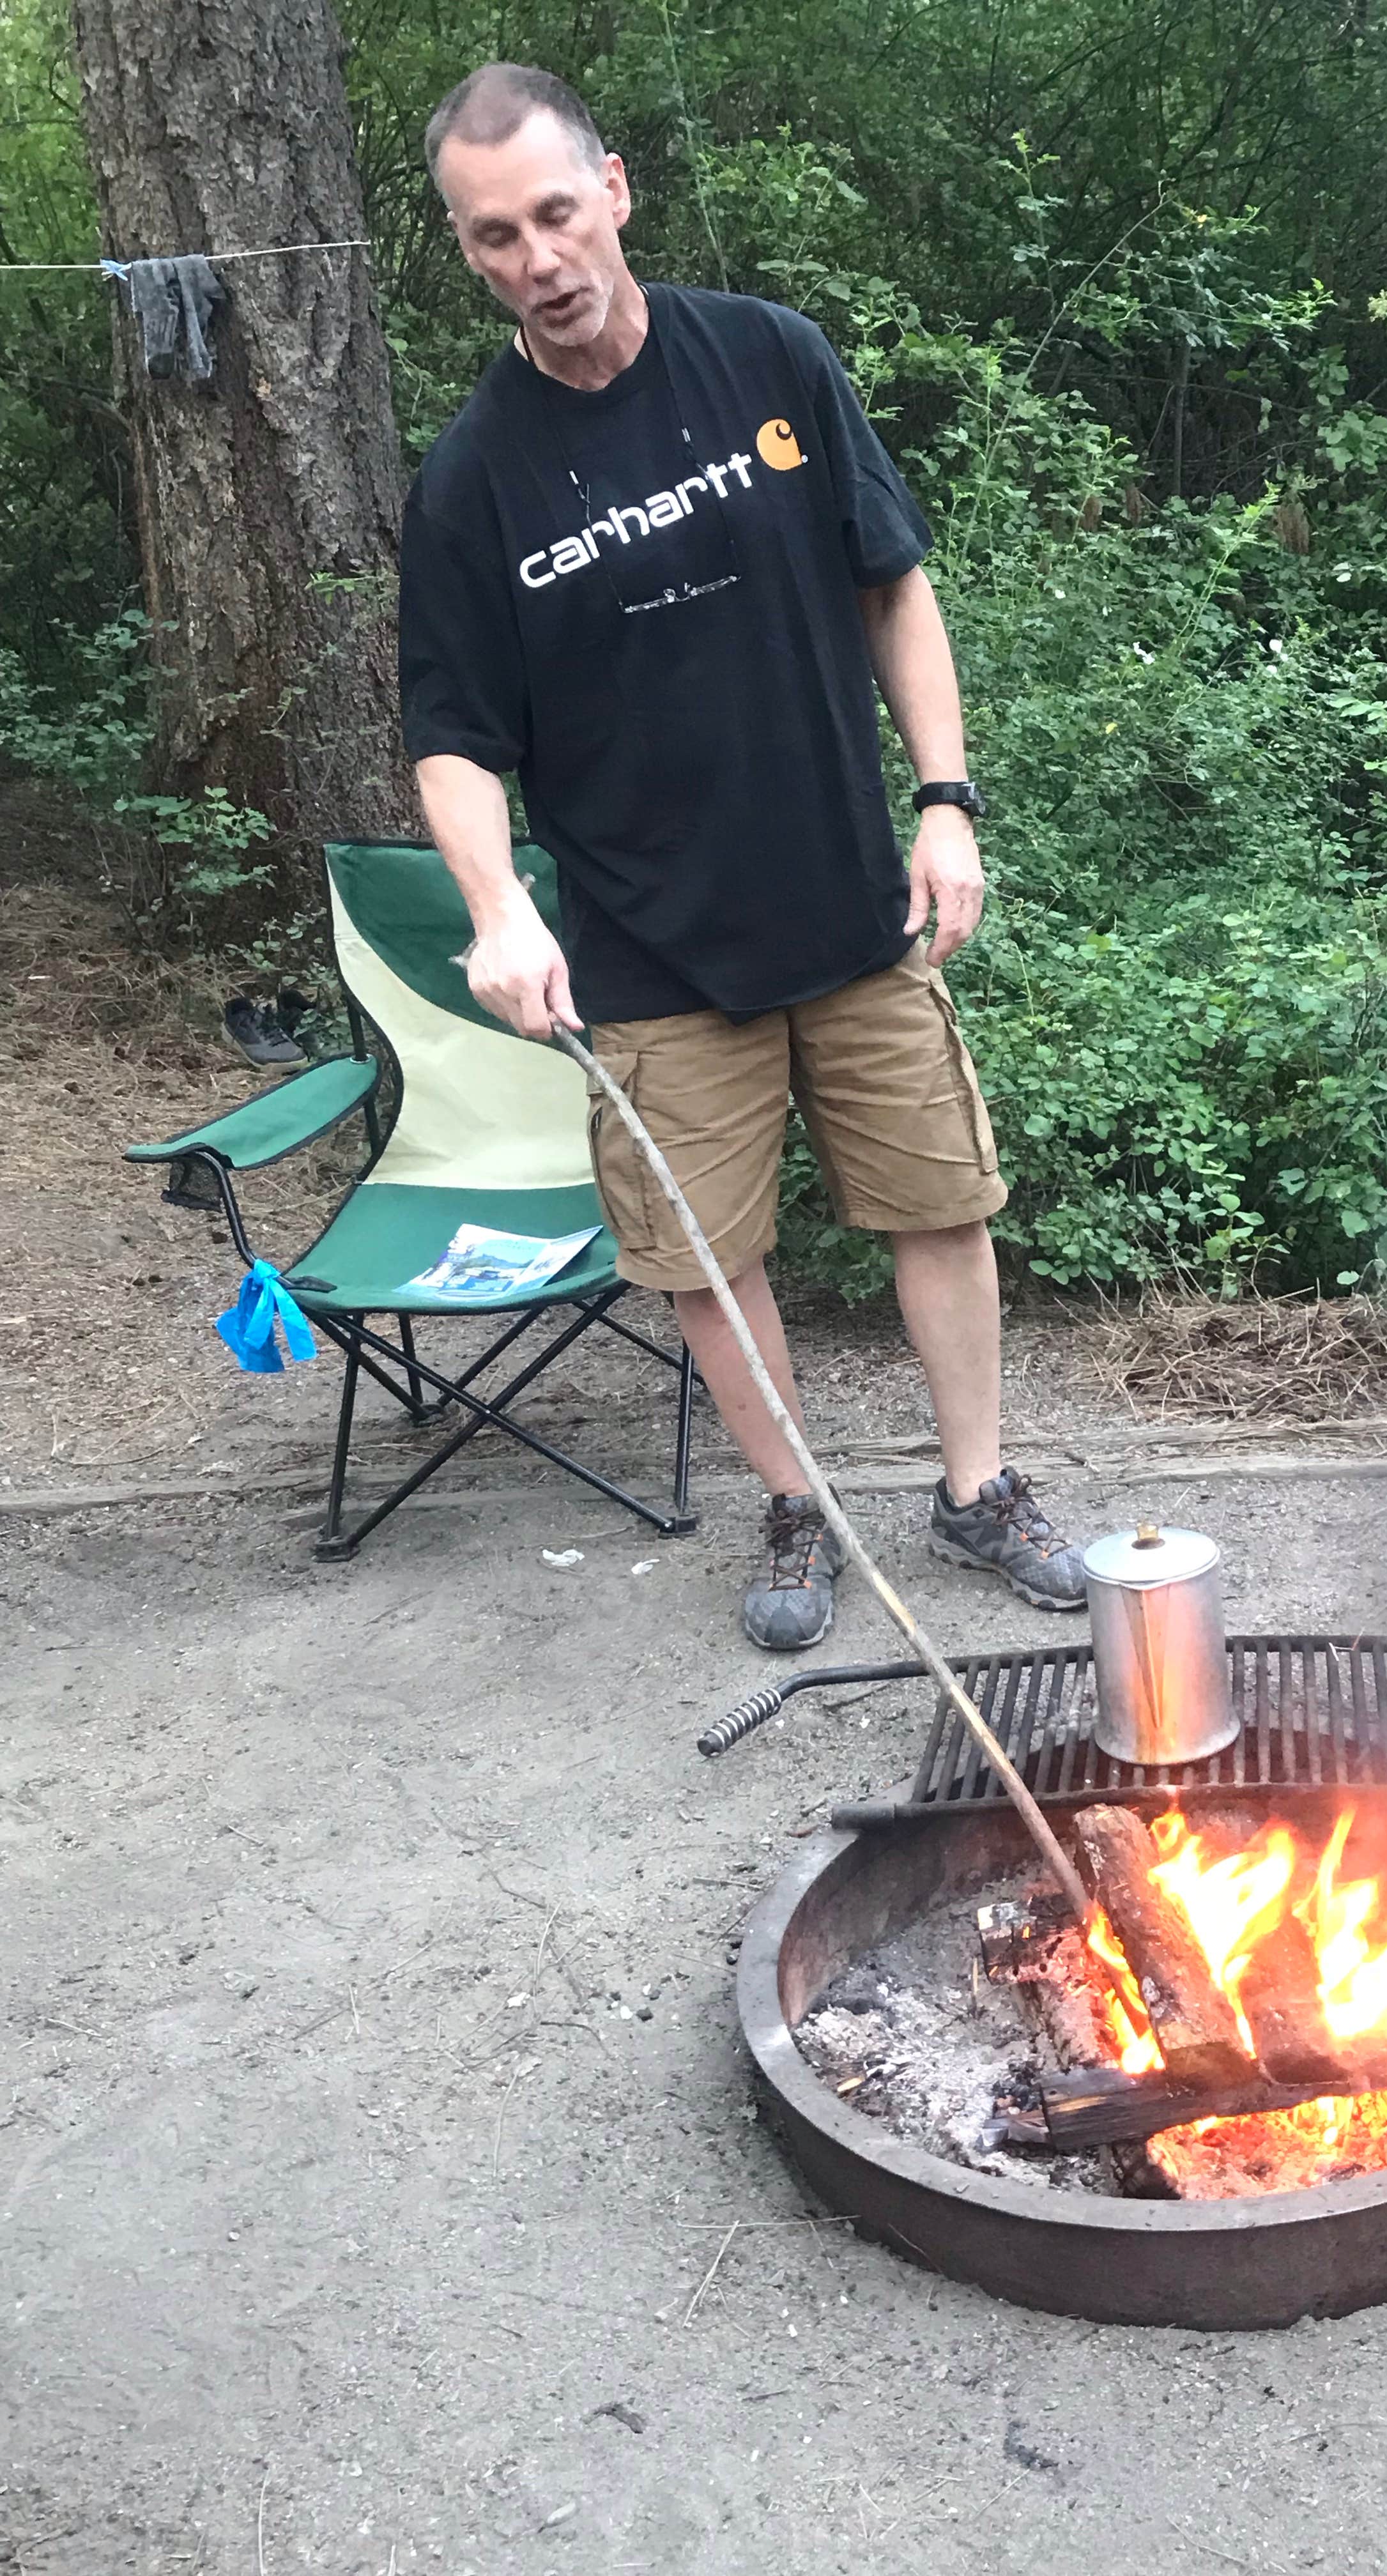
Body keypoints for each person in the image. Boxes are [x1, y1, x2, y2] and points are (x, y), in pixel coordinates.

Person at [399, 62, 1088, 1650]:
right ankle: (803, 1511)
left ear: (616, 189)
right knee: (712, 1263)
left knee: (941, 1207)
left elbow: (892, 583)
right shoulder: (469, 482)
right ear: (469, 251)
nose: (540, 260)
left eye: (557, 214)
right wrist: (500, 909)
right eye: (495, 236)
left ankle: (976, 1489)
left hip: (853, 904)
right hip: (649, 955)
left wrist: (948, 798)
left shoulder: (770, 356)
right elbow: (452, 739)